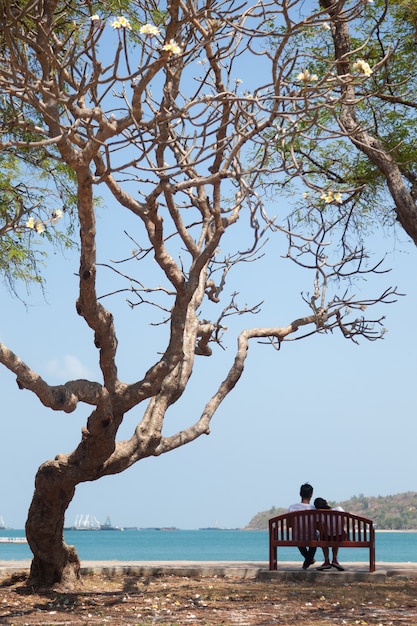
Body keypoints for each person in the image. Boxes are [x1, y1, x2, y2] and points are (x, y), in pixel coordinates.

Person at [288, 483, 317, 570]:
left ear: (300, 494)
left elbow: (290, 525)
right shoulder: (314, 509)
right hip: (311, 536)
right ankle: (309, 559)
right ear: (311, 495)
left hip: (297, 536)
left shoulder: (292, 507)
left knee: (298, 537)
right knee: (316, 536)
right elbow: (318, 525)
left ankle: (308, 559)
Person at [314, 497, 345, 571]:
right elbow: (343, 522)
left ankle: (327, 560)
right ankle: (334, 559)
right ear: (326, 503)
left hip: (327, 537)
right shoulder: (339, 509)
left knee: (322, 536)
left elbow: (322, 529)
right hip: (339, 537)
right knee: (337, 535)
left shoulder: (320, 515)